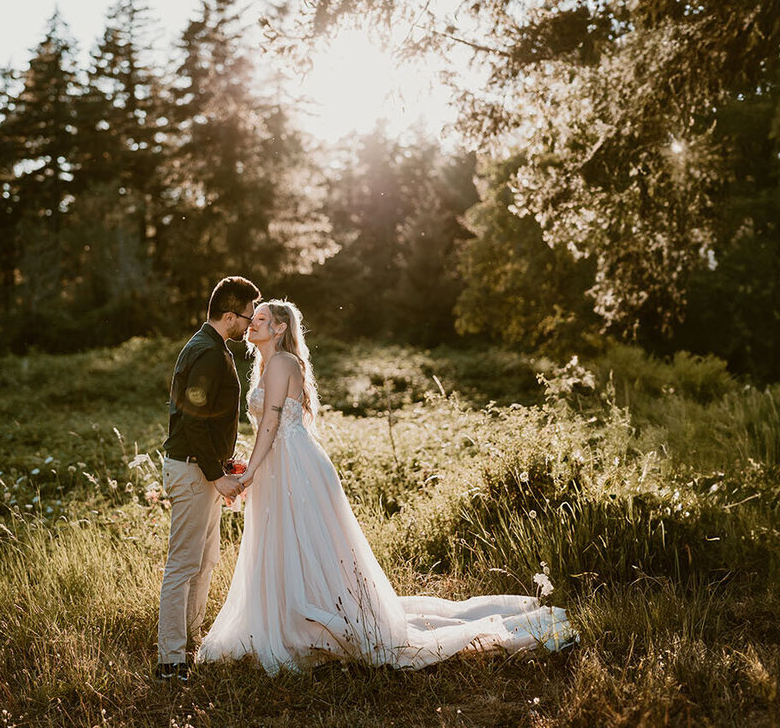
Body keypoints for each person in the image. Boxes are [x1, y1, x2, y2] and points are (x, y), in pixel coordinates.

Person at [195, 300, 576, 674]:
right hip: (282, 463)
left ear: (279, 328)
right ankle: (292, 616)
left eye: (261, 319)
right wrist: (253, 463)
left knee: (301, 541)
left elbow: (272, 425)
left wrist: (247, 475)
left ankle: (306, 621)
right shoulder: (268, 363)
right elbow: (270, 428)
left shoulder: (280, 362)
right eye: (253, 319)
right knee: (285, 543)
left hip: (293, 468)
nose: (253, 324)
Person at [156, 276, 261, 682]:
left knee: (205, 561)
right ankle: (170, 660)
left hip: (203, 467)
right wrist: (216, 475)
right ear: (230, 315)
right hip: (192, 470)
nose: (251, 322)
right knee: (183, 565)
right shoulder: (207, 353)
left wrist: (223, 461)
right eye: (249, 314)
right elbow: (192, 419)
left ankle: (190, 643)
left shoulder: (212, 347)